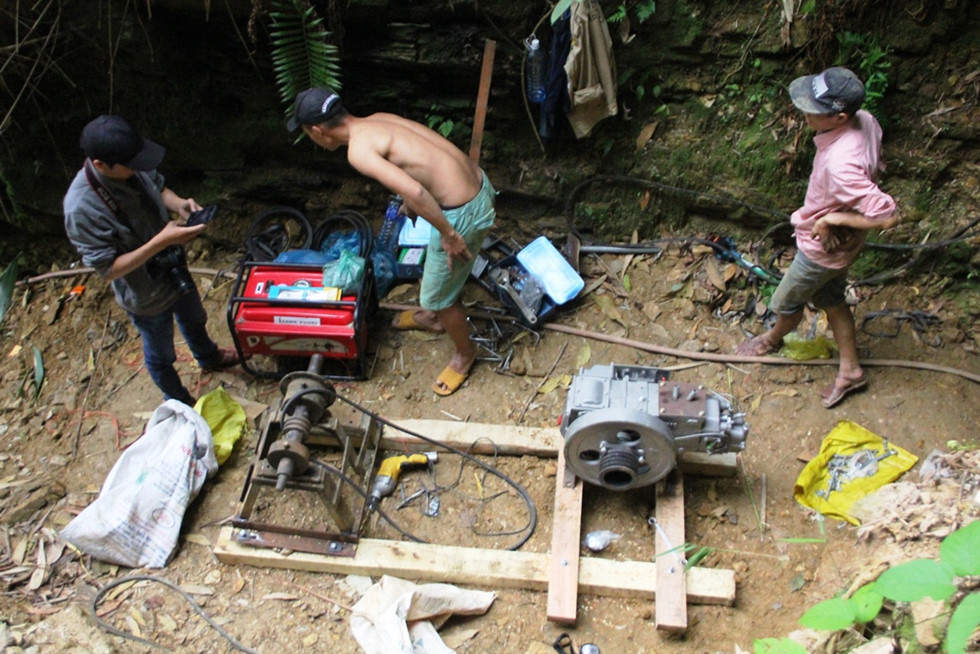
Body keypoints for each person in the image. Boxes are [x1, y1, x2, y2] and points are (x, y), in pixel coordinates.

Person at [287, 87, 496, 396]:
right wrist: (414, 204)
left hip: (462, 213)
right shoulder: (376, 119)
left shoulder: (358, 151)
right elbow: (422, 158)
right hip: (479, 183)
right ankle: (429, 315)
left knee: (442, 297)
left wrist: (450, 235)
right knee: (436, 275)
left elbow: (417, 192)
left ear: (318, 131)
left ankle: (463, 353)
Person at [735, 67, 898, 408]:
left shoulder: (841, 163)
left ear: (839, 117)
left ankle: (770, 340)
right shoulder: (864, 118)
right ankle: (851, 370)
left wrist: (834, 218)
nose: (805, 112)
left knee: (786, 302)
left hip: (821, 250)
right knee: (831, 299)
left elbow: (887, 215)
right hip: (842, 246)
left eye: (813, 109)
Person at [63, 115, 239, 407]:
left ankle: (208, 356)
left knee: (195, 318)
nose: (138, 168)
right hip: (144, 292)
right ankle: (178, 400)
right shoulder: (81, 209)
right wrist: (161, 241)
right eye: (131, 165)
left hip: (173, 267)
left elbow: (158, 187)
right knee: (161, 354)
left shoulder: (131, 162)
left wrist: (179, 204)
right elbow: (107, 270)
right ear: (100, 165)